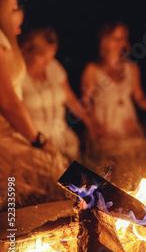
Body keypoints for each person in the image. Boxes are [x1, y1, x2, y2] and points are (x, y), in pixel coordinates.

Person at [0, 0, 67, 209]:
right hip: (5, 139)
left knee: (58, 173)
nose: (16, 3)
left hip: (13, 134)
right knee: (55, 175)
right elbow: (8, 102)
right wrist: (37, 139)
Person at [20, 27, 102, 162]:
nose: (47, 62)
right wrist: (39, 140)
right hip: (36, 143)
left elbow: (70, 98)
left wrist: (90, 123)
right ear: (28, 51)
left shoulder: (53, 67)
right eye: (42, 56)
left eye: (51, 56)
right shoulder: (19, 75)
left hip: (63, 139)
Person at [81, 21, 146, 161]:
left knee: (139, 159)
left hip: (128, 124)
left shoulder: (131, 68)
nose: (120, 42)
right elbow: (85, 102)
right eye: (115, 38)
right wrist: (94, 124)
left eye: (122, 38)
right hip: (105, 125)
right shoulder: (93, 70)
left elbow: (139, 97)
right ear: (105, 40)